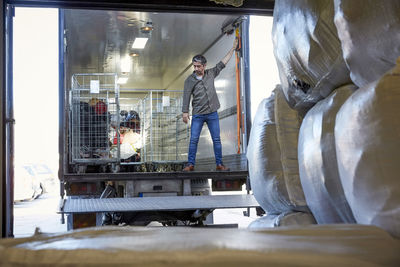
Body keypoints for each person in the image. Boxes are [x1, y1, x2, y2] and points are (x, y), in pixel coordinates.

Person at [182, 38, 238, 172]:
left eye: (198, 66)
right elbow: (186, 96)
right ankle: (190, 164)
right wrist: (185, 112)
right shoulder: (189, 80)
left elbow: (223, 63)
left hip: (212, 112)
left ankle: (219, 164)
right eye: (194, 66)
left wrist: (233, 49)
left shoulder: (211, 73)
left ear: (204, 65)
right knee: (194, 139)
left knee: (217, 139)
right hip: (198, 115)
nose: (196, 69)